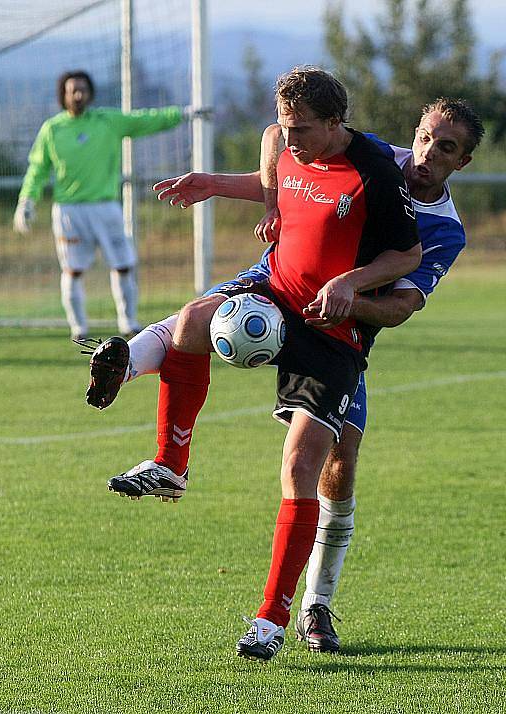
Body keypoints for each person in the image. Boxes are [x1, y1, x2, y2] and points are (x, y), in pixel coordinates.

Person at [85, 94, 483, 657]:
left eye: (446, 149)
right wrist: (228, 186)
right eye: (424, 137)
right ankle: (130, 374)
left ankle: (315, 604)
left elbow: (398, 307)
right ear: (414, 132)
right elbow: (288, 155)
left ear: (461, 162)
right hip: (280, 279)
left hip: (339, 330)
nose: (427, 154)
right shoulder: (374, 155)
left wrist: (345, 295)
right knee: (195, 319)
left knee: (333, 471)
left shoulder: (444, 231)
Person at [13, 70, 199, 340]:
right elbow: (37, 169)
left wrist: (182, 114)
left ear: (90, 93)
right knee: (73, 270)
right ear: (63, 95)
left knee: (123, 264)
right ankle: (79, 328)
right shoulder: (53, 129)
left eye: (83, 89)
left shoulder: (107, 121)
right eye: (72, 90)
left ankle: (128, 322)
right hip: (69, 211)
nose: (78, 95)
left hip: (106, 207)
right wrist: (26, 200)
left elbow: (145, 120)